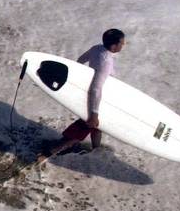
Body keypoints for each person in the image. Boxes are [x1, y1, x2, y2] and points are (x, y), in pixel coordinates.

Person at [37, 28, 126, 165]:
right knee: (84, 128)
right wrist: (94, 113)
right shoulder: (106, 62)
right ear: (114, 46)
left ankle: (96, 149)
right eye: (122, 42)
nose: (124, 44)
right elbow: (96, 88)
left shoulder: (97, 48)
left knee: (97, 126)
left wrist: (75, 84)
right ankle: (47, 154)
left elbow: (79, 61)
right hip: (97, 98)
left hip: (91, 93)